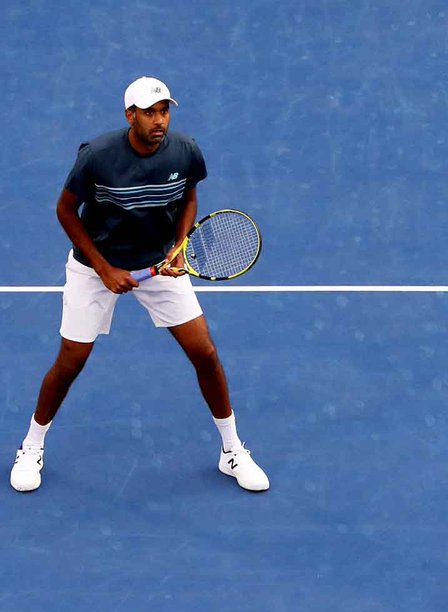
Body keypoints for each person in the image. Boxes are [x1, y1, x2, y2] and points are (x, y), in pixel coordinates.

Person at [9, 76, 268, 493]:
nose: (159, 120)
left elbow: (189, 199)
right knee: (71, 361)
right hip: (94, 268)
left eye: (164, 110)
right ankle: (31, 446)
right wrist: (104, 268)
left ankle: (232, 450)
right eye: (149, 112)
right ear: (130, 116)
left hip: (159, 264)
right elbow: (65, 212)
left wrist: (181, 247)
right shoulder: (97, 156)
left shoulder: (185, 151)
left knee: (204, 352)